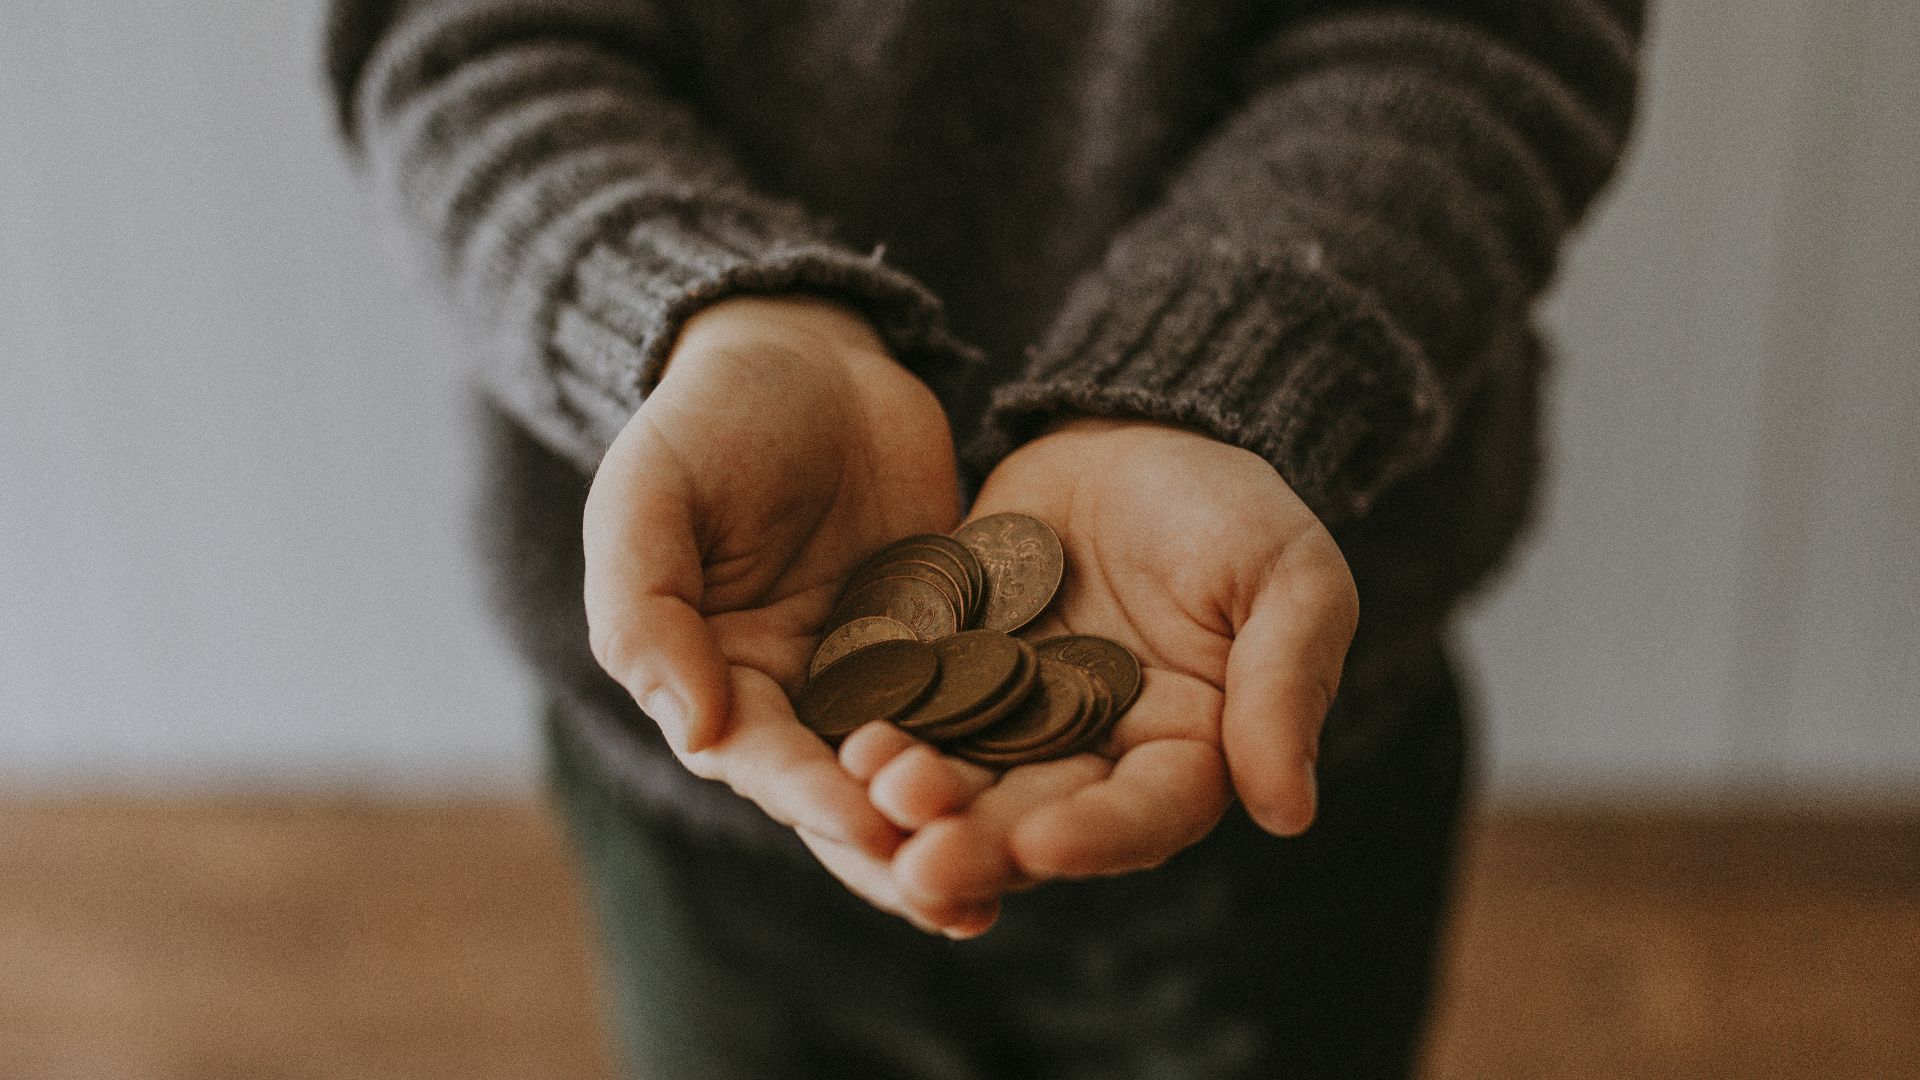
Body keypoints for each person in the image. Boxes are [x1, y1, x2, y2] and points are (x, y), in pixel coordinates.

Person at [327, 1, 1644, 1075]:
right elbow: (460, 41)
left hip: (1265, 739)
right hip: (717, 782)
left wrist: (1229, 370)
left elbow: (1479, 31)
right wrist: (695, 313)